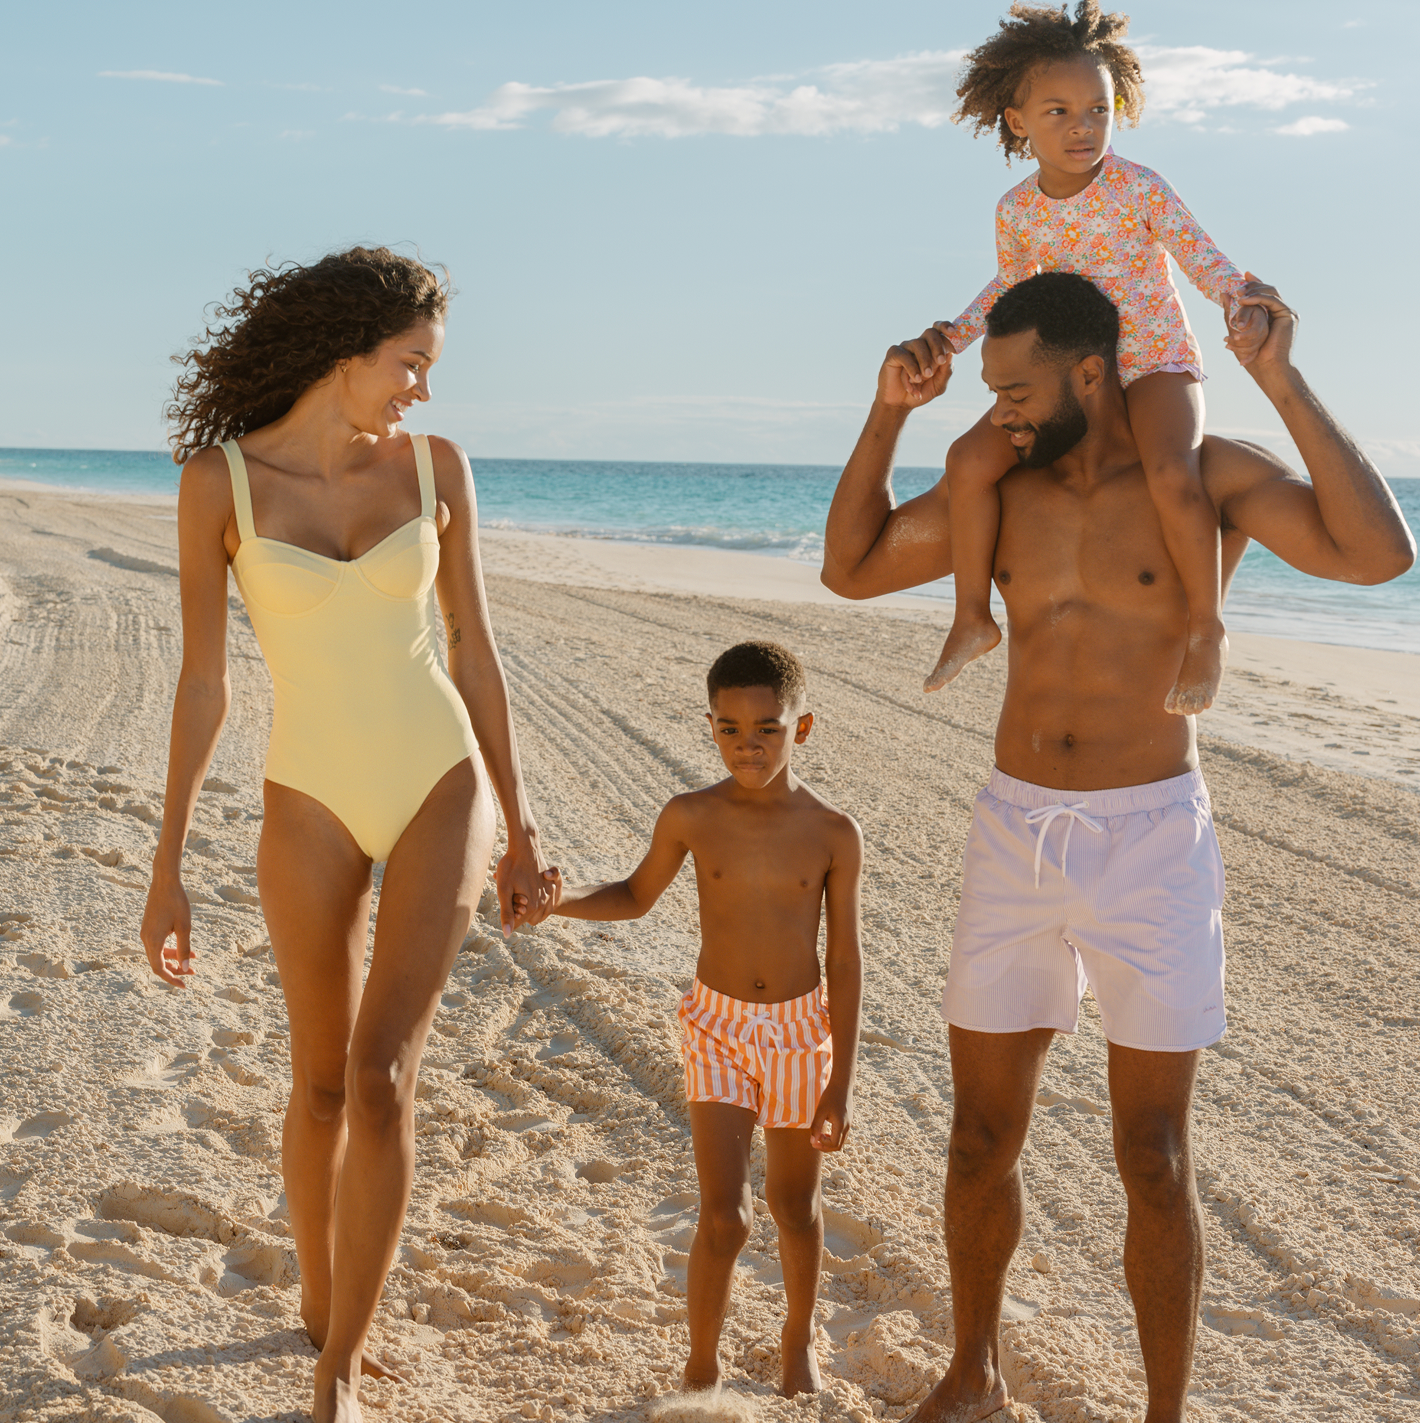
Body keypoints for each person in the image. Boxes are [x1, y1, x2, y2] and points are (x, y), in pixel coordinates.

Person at [821, 272, 1413, 1422]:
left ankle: (1163, 1414)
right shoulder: (1006, 492)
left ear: (1090, 371)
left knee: (1151, 1150)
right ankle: (972, 1372)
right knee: (980, 1133)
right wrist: (888, 411)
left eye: (1015, 387)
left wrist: (1281, 381)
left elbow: (1375, 556)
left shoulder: (1200, 480)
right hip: (1016, 831)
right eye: (991, 392)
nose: (999, 410)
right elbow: (848, 569)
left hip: (1151, 840)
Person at [140, 246, 557, 1423]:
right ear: (347, 351)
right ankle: (325, 1309)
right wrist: (166, 864)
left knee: (380, 1079)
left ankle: (336, 1377)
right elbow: (202, 682)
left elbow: (474, 649)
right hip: (308, 792)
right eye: (410, 363)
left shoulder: (435, 467)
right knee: (318, 1082)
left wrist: (519, 825)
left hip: (437, 780)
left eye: (428, 368)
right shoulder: (218, 480)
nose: (421, 388)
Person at [922, 0, 1267, 716]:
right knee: (966, 464)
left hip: (1154, 361)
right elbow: (1010, 291)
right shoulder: (1015, 210)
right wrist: (953, 336)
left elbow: (1200, 255)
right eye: (1059, 112)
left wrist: (1243, 299)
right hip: (1064, 383)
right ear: (1018, 121)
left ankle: (1206, 630)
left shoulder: (1138, 187)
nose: (1083, 127)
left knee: (1173, 470)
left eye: (1098, 110)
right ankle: (971, 617)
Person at [542, 641, 863, 1398]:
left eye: (768, 729)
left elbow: (845, 963)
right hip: (715, 1027)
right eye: (729, 729)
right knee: (725, 1217)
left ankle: (796, 1340)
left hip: (796, 1033)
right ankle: (701, 1363)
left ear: (803, 727)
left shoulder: (833, 833)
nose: (748, 745)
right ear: (710, 726)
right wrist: (561, 902)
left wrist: (839, 1083)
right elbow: (632, 894)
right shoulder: (691, 816)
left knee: (793, 1205)